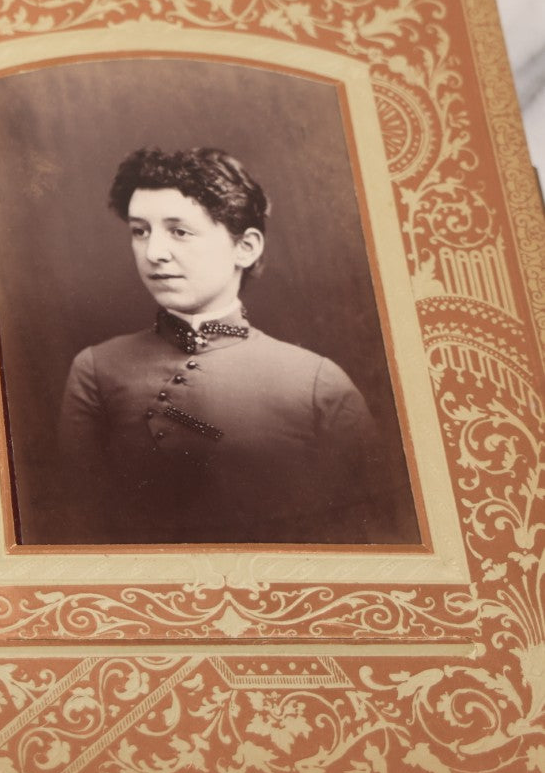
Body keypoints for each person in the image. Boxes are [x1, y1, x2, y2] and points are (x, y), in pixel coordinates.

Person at [49, 147, 418, 545]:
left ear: (246, 247)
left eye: (179, 231)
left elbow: (375, 534)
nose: (154, 253)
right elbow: (77, 525)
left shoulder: (316, 383)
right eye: (140, 231)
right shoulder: (97, 369)